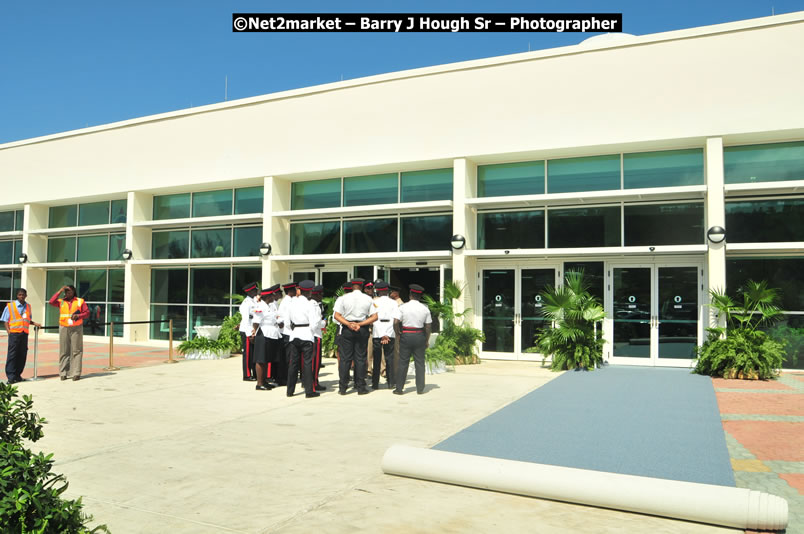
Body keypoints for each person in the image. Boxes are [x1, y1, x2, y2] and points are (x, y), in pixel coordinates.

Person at [333, 278, 377, 395]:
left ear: (352, 286)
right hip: (361, 329)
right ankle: (360, 386)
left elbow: (337, 315)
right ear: (362, 287)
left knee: (345, 359)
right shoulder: (368, 299)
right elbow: (374, 317)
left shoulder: (343, 298)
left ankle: (343, 387)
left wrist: (349, 324)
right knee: (360, 358)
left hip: (347, 329)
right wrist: (360, 324)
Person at [394, 284, 432, 395]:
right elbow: (428, 326)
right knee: (419, 363)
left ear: (410, 295)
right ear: (420, 296)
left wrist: (398, 334)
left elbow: (396, 322)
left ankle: (399, 388)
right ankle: (420, 388)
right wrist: (426, 340)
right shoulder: (425, 308)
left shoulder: (403, 307)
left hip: (406, 334)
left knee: (403, 362)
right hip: (419, 335)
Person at [286, 280, 320, 398]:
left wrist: (292, 331)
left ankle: (290, 390)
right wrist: (311, 331)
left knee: (293, 364)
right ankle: (309, 391)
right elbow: (314, 323)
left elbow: (286, 322)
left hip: (295, 334)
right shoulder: (310, 304)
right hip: (306, 334)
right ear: (310, 291)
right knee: (307, 364)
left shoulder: (292, 303)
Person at [49, 285, 89, 381]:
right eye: (66, 291)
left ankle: (76, 373)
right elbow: (51, 301)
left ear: (74, 292)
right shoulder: (61, 301)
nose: (68, 293)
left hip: (76, 328)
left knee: (77, 350)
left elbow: (87, 313)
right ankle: (63, 373)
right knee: (64, 351)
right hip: (64, 327)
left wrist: (79, 316)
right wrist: (59, 291)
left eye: (70, 291)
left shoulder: (80, 301)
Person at [3, 288, 41, 384]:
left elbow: (27, 320)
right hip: (14, 334)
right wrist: (9, 332)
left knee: (22, 355)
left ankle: (17, 375)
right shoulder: (10, 306)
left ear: (26, 296)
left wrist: (34, 323)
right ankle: (11, 377)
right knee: (12, 355)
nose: (21, 296)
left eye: (23, 295)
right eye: (20, 294)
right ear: (17, 295)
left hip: (24, 334)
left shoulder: (28, 306)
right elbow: (5, 320)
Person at [371, 281, 398, 390]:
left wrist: (381, 334)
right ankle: (391, 383)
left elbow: (374, 319)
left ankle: (375, 383)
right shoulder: (394, 303)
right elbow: (394, 320)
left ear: (377, 290)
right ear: (387, 291)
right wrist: (387, 334)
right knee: (390, 358)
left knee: (376, 359)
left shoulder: (373, 302)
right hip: (390, 332)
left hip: (377, 332)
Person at [252, 287, 275, 391]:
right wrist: (253, 333)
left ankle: (264, 381)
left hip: (269, 333)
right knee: (261, 359)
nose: (274, 297)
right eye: (272, 295)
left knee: (265, 359)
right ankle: (259, 383)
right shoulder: (261, 306)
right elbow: (256, 321)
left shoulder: (268, 306)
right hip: (262, 333)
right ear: (268, 297)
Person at [275, 282, 297, 386]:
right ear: (290, 291)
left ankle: (287, 377)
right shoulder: (286, 302)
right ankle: (284, 378)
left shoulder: (292, 300)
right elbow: (280, 317)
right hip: (286, 332)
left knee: (289, 356)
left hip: (290, 332)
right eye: (294, 290)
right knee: (287, 357)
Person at [238, 282, 259, 382]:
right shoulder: (246, 303)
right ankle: (246, 375)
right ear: (249, 292)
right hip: (247, 330)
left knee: (253, 353)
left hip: (253, 330)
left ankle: (255, 373)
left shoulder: (254, 301)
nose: (256, 291)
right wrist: (249, 334)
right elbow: (246, 319)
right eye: (254, 290)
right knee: (247, 354)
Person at [311, 285, 327, 391]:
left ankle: (309, 381)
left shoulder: (310, 304)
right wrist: (324, 322)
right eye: (321, 294)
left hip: (310, 335)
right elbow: (316, 323)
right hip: (315, 335)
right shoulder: (314, 305)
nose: (322, 296)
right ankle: (314, 382)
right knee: (315, 362)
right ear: (316, 294)